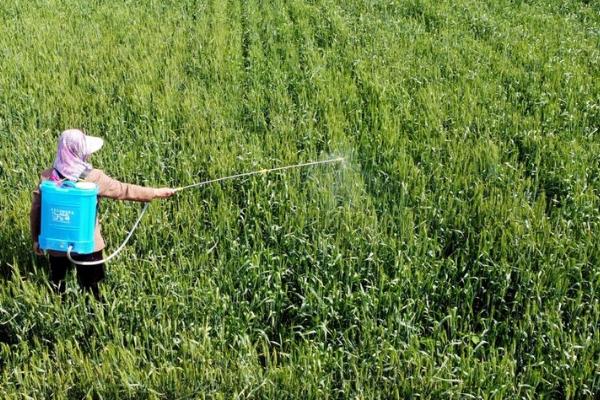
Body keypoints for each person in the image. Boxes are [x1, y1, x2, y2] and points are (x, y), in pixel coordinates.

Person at [30, 129, 176, 300]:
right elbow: (123, 190)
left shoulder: (47, 178)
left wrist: (36, 239)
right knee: (93, 287)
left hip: (56, 245)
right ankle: (95, 316)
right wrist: (155, 192)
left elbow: (35, 211)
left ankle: (60, 309)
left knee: (57, 282)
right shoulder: (93, 177)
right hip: (88, 245)